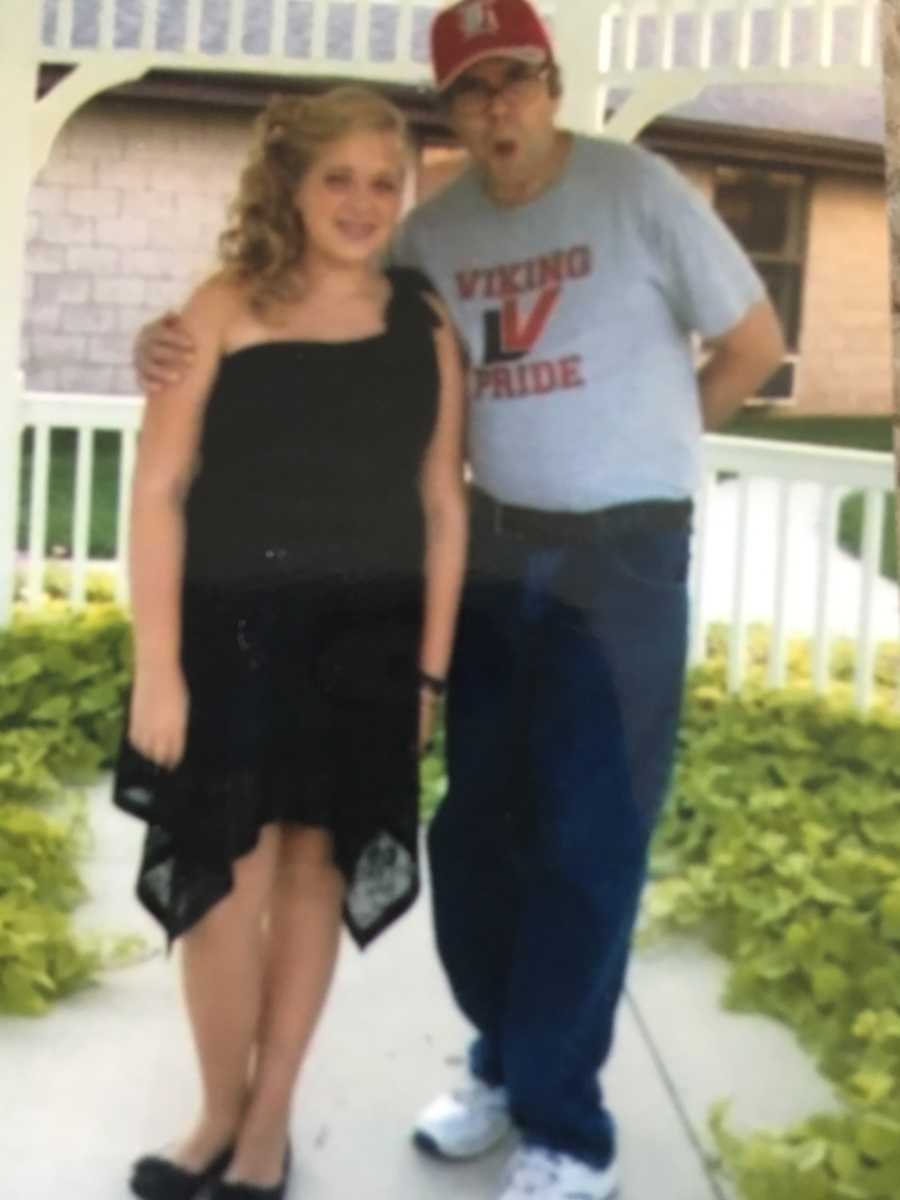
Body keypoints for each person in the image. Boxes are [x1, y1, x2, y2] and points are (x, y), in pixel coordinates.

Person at [135, 2, 785, 1197]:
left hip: (620, 564)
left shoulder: (634, 188)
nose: (500, 105)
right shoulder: (425, 235)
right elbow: (304, 300)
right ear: (453, 109)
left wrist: (654, 451)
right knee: (479, 837)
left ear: (552, 82)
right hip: (491, 559)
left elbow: (754, 340)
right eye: (474, 88)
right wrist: (164, 341)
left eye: (519, 79)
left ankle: (565, 1125)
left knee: (591, 841)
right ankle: (501, 1063)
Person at [116, 85, 467, 1200]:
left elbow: (444, 505)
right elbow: (161, 490)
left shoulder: (422, 321)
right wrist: (156, 665)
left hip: (366, 644)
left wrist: (430, 675)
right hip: (231, 639)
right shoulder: (220, 306)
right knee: (224, 888)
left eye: (384, 180)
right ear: (292, 184)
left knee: (315, 874)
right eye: (339, 178)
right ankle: (217, 1111)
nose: (364, 202)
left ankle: (269, 1126)